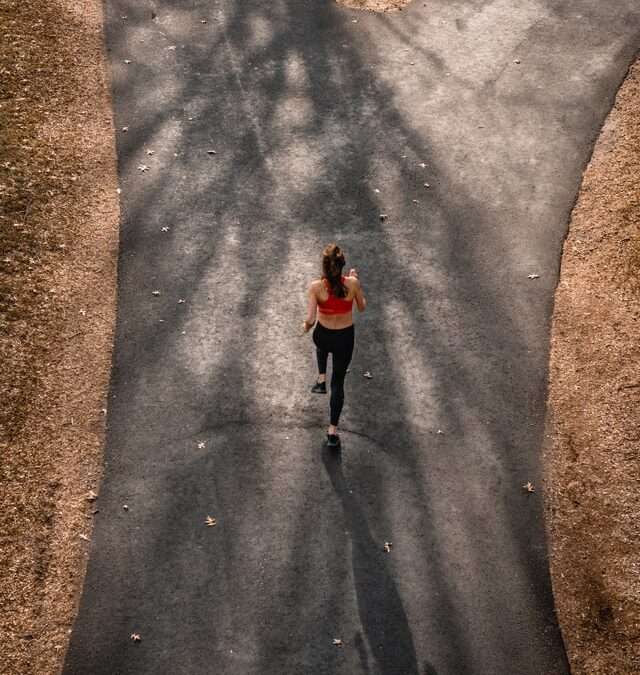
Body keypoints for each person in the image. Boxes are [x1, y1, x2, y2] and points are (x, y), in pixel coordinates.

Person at [302, 243, 367, 447]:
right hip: (344, 339)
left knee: (321, 342)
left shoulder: (316, 287)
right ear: (342, 265)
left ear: (324, 267)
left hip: (323, 335)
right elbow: (362, 307)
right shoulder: (353, 283)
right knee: (338, 383)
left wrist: (304, 326)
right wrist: (355, 280)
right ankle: (332, 432)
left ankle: (321, 378)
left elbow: (311, 319)